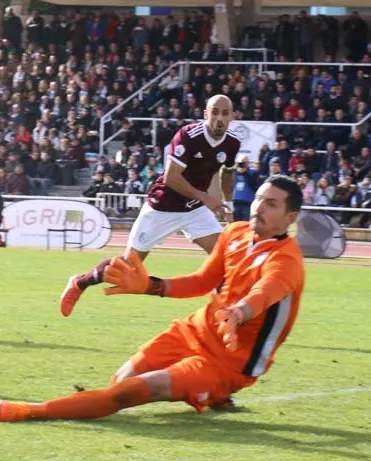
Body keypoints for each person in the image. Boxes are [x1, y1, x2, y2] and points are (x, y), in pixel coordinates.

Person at [0, 175, 305, 422]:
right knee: (120, 382)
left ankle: (31, 410)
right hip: (193, 331)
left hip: (228, 363)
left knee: (125, 394)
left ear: (291, 216)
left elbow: (264, 293)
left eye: (271, 204)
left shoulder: (287, 260)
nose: (258, 207)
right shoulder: (235, 233)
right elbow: (202, 281)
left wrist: (238, 313)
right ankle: (211, 395)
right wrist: (149, 286)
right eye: (259, 199)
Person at [61, 95, 240, 316]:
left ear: (232, 116)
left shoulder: (232, 143)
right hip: (162, 207)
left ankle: (225, 311)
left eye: (225, 113)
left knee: (225, 257)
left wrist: (227, 205)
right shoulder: (188, 136)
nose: (219, 118)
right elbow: (171, 177)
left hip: (194, 209)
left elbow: (227, 174)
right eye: (215, 112)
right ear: (206, 114)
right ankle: (79, 282)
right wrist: (205, 198)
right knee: (128, 268)